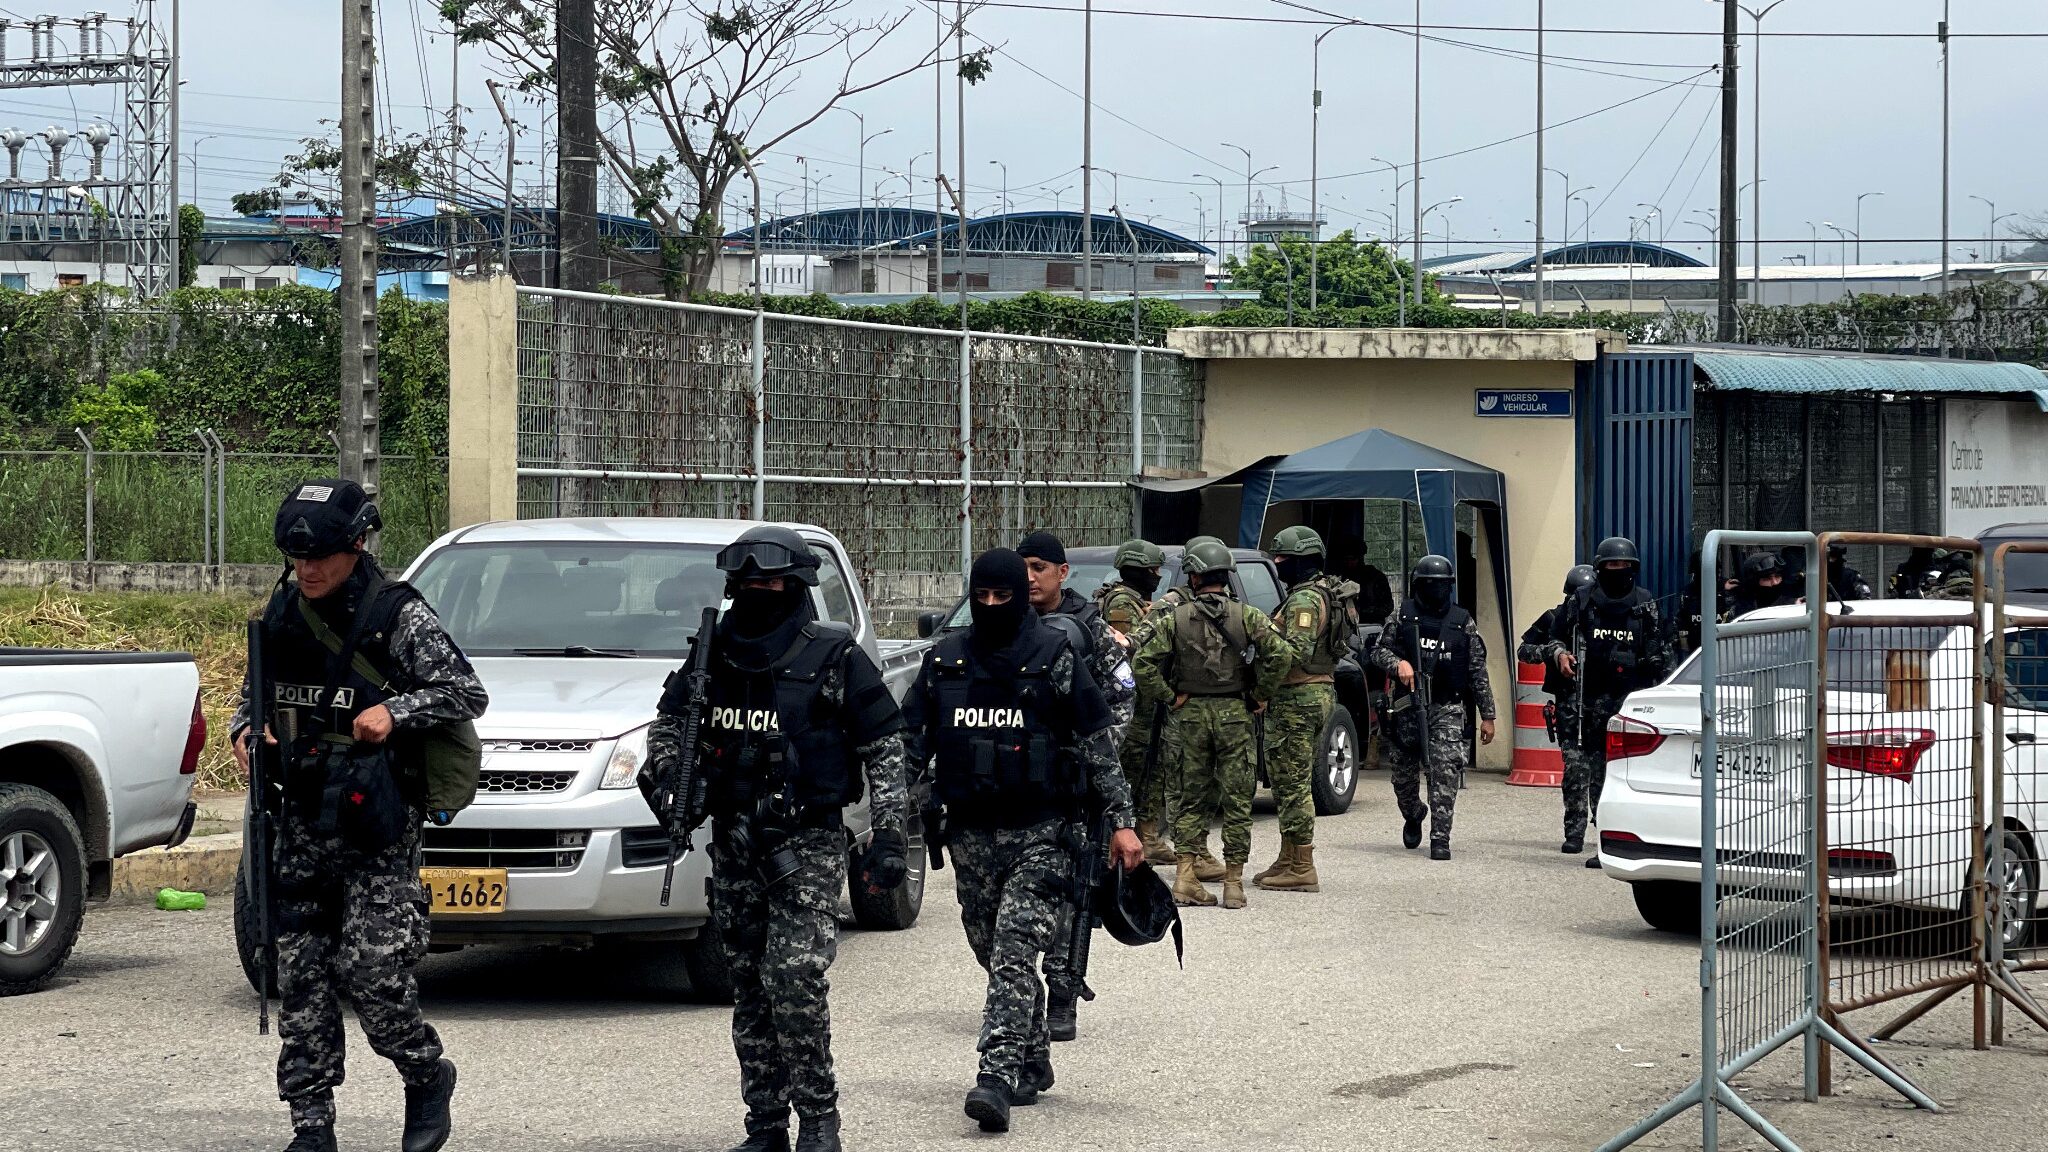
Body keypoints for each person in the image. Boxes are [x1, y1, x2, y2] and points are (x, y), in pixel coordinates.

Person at [231, 478, 487, 1152]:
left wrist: (394, 712)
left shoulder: (395, 613)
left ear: (357, 547)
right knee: (302, 979)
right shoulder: (286, 606)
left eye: (322, 557)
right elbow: (253, 691)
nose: (309, 570)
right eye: (298, 557)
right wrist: (246, 730)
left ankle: (426, 1074)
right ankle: (311, 1128)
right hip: (300, 818)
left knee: (374, 974)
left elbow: (465, 692)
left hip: (375, 821)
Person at [643, 525, 910, 1152]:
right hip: (734, 842)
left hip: (807, 845)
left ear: (794, 587)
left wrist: (891, 835)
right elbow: (668, 728)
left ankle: (819, 1118)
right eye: (748, 583)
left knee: (794, 977)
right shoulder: (713, 656)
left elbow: (885, 750)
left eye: (770, 582)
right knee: (750, 987)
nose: (758, 592)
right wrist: (673, 791)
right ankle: (765, 1123)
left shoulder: (833, 656)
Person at [902, 548, 1145, 1134]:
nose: (991, 607)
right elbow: (909, 745)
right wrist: (888, 827)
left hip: (1042, 831)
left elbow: (1096, 740)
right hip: (969, 832)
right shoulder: (946, 661)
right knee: (988, 948)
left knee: (1014, 950)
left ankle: (996, 1077)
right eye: (980, 597)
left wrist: (1121, 820)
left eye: (1001, 597)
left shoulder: (1054, 655)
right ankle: (1033, 1053)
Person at [1015, 530, 1135, 1044]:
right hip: (1019, 784)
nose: (1029, 577)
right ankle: (1018, 993)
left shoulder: (1094, 631)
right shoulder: (1006, 626)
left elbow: (1124, 697)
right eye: (1023, 565)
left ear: (1063, 573)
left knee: (1074, 892)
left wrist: (1091, 750)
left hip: (1079, 787)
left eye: (1039, 566)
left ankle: (1063, 990)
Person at [1132, 538, 1291, 908]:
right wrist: (1260, 693)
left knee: (1190, 798)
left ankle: (1186, 876)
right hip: (1235, 715)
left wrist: (1170, 697)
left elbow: (1142, 664)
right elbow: (1281, 654)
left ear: (1195, 575)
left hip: (1188, 717)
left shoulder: (1174, 616)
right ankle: (1234, 883)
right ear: (1226, 575)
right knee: (1238, 800)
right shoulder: (1247, 615)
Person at [1542, 539, 1670, 867]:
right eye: (1611, 566)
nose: (1617, 571)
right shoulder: (1581, 602)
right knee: (1576, 769)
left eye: (1623, 566)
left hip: (1623, 702)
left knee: (1611, 775)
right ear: (1600, 569)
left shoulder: (1644, 604)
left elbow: (1659, 651)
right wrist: (1560, 655)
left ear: (1633, 568)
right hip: (1581, 701)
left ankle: (1606, 840)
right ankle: (1573, 832)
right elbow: (1553, 637)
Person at [1253, 526, 1359, 894]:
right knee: (1287, 780)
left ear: (1301, 562)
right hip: (1317, 692)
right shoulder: (1324, 593)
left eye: (1282, 559)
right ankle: (1288, 856)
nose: (1277, 564)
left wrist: (1261, 688)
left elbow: (1293, 653)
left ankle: (1301, 866)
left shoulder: (1303, 602)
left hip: (1297, 697)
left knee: (1292, 783)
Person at [1370, 555, 1496, 861]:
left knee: (1444, 772)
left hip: (1446, 708)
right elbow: (1377, 651)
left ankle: (1441, 838)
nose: (1436, 590)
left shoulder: (1462, 621)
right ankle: (1413, 814)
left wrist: (1488, 715)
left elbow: (1476, 671)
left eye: (1441, 585)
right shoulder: (1402, 615)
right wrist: (1398, 663)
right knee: (1403, 780)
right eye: (1430, 585)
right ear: (1417, 586)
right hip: (1405, 708)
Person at [1092, 538, 1177, 866]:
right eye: (1153, 570)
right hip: (1132, 700)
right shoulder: (1122, 603)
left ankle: (1149, 835)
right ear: (1138, 570)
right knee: (1129, 768)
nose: (1157, 575)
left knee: (1151, 767)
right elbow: (1128, 651)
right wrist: (1160, 615)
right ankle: (1117, 836)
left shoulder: (1138, 601)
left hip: (1147, 699)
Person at [1329, 535, 1395, 627]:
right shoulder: (1338, 578)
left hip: (1370, 625)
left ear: (1360, 558)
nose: (1349, 563)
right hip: (1345, 628)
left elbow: (1388, 607)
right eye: (1346, 559)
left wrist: (1362, 611)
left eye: (1352, 559)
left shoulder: (1375, 577)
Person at [1727, 551, 1791, 618]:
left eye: (1777, 576)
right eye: (1767, 578)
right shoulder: (1739, 606)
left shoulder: (1794, 603)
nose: (1774, 582)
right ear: (1754, 582)